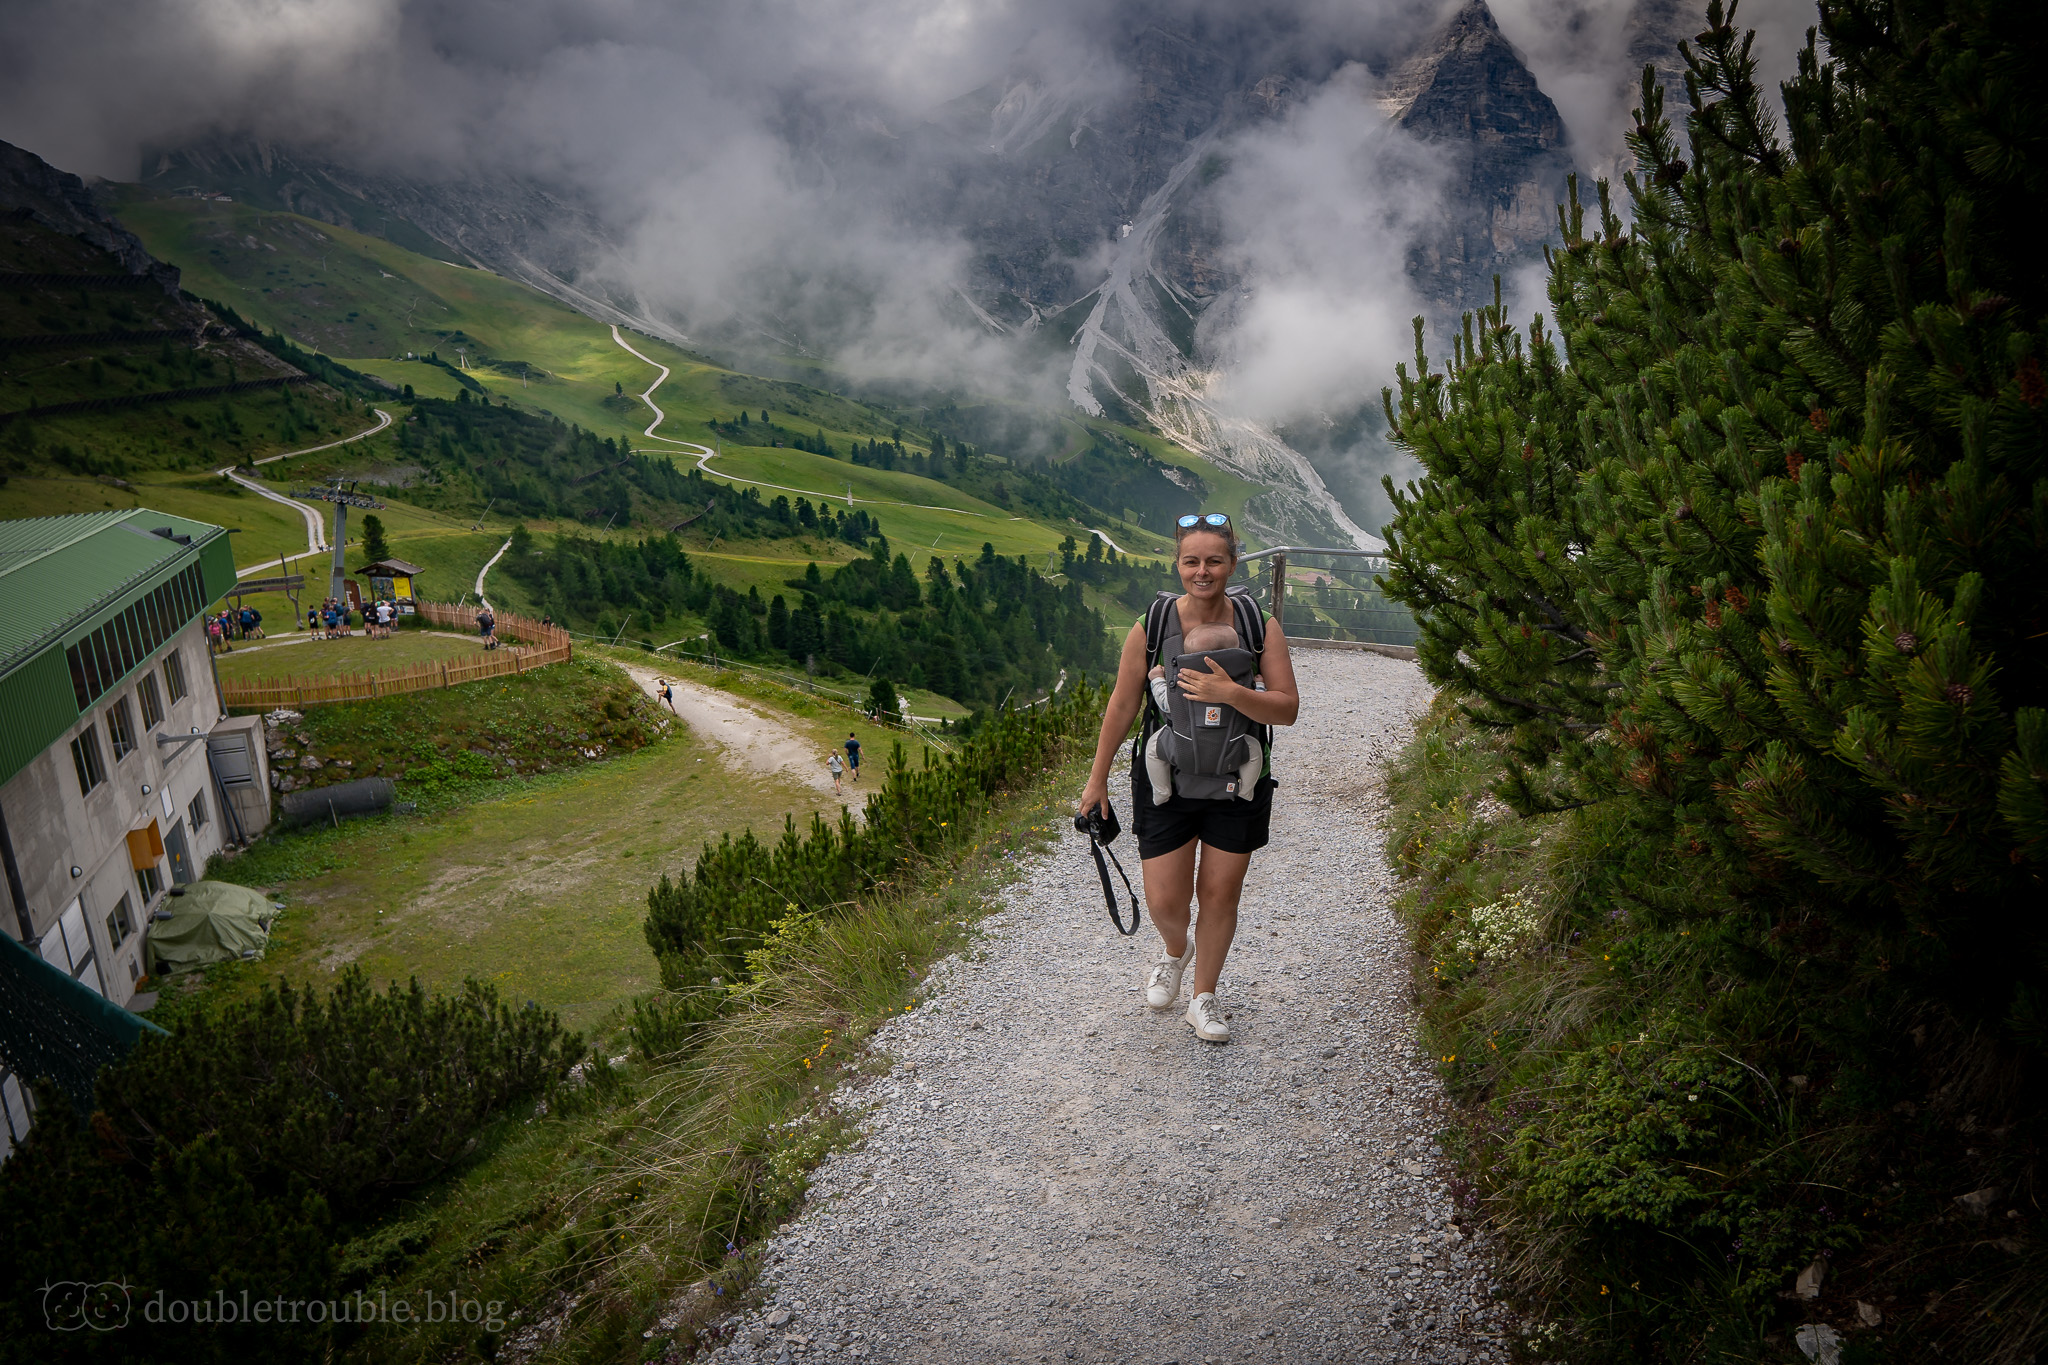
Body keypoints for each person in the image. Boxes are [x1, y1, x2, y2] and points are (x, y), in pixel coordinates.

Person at [1077, 512, 1298, 1044]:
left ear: (1232, 563)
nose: (1203, 571)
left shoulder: (1256, 624)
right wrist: (1096, 780)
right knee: (1166, 904)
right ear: (1178, 564)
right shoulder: (1151, 627)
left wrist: (1232, 695)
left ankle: (1204, 997)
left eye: (1214, 561)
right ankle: (1176, 950)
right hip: (1166, 780)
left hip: (1235, 779)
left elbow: (1286, 709)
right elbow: (1124, 702)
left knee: (1221, 894)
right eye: (1192, 561)